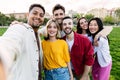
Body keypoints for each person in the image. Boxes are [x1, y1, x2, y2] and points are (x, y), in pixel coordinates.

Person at [0, 4, 45, 80]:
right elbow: (9, 42)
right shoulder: (19, 28)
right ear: (28, 15)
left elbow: (47, 29)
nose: (38, 17)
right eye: (35, 13)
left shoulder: (37, 34)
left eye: (41, 15)